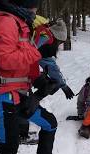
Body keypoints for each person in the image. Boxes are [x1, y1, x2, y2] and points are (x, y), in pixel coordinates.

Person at [0, 0, 67, 154]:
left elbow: (25, 60)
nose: (37, 10)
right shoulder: (5, 21)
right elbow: (5, 59)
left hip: (18, 93)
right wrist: (37, 52)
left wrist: (40, 80)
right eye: (36, 5)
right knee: (9, 146)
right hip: (2, 94)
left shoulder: (21, 23)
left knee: (49, 123)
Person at [18, 16, 75, 145]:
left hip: (24, 71)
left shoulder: (43, 33)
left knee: (42, 88)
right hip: (20, 73)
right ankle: (20, 134)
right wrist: (63, 85)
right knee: (24, 100)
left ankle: (23, 123)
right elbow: (49, 65)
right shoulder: (47, 39)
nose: (59, 45)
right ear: (58, 37)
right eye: (60, 42)